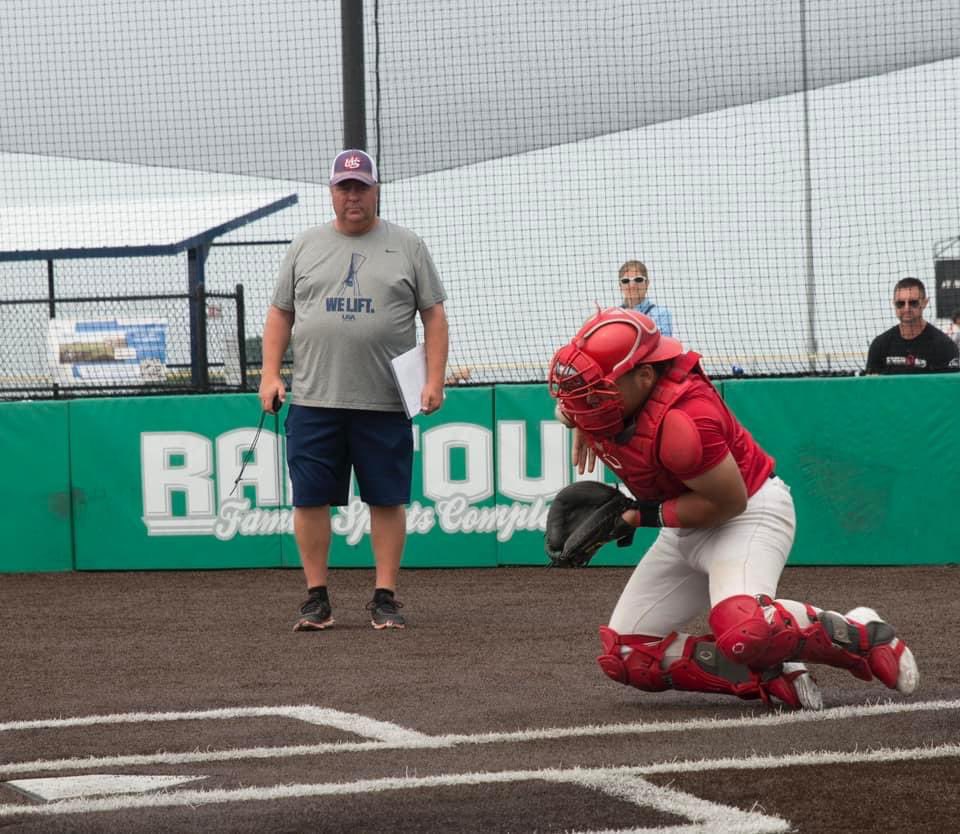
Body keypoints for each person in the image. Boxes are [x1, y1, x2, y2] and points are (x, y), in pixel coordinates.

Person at [546, 307, 919, 709]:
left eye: (599, 388)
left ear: (645, 375)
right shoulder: (611, 399)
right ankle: (767, 674)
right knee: (627, 655)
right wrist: (582, 423)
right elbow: (563, 409)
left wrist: (637, 516)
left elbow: (726, 502)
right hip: (687, 526)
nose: (586, 399)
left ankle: (861, 636)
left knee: (745, 628)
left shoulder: (683, 423)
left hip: (747, 514)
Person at [259, 149, 449, 632]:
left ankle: (385, 597)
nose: (353, 196)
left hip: (384, 400)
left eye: (361, 186)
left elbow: (434, 316)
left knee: (387, 499)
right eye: (344, 187)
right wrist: (270, 373)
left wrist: (434, 378)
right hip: (314, 397)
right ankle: (316, 598)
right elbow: (281, 312)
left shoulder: (407, 245)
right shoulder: (305, 245)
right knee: (309, 499)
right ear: (331, 192)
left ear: (376, 189)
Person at [865, 277, 959, 374]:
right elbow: (871, 386)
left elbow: (950, 387)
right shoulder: (880, 345)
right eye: (900, 303)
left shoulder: (944, 346)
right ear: (894, 304)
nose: (906, 308)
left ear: (925, 303)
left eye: (913, 303)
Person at [617, 259, 674, 336]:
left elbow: (662, 344)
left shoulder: (662, 314)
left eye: (638, 279)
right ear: (620, 286)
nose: (632, 285)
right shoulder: (614, 315)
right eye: (626, 281)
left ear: (647, 283)